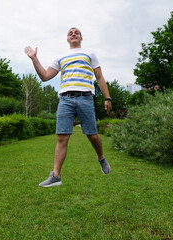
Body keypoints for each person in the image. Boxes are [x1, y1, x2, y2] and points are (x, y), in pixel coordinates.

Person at [24, 27, 112, 187]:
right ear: (67, 39)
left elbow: (99, 77)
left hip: (85, 98)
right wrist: (34, 59)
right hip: (65, 100)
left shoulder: (90, 54)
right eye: (70, 33)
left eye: (76, 32)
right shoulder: (60, 57)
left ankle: (101, 157)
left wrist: (107, 97)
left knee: (92, 136)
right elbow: (45, 76)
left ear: (81, 37)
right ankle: (56, 176)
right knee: (61, 137)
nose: (73, 34)